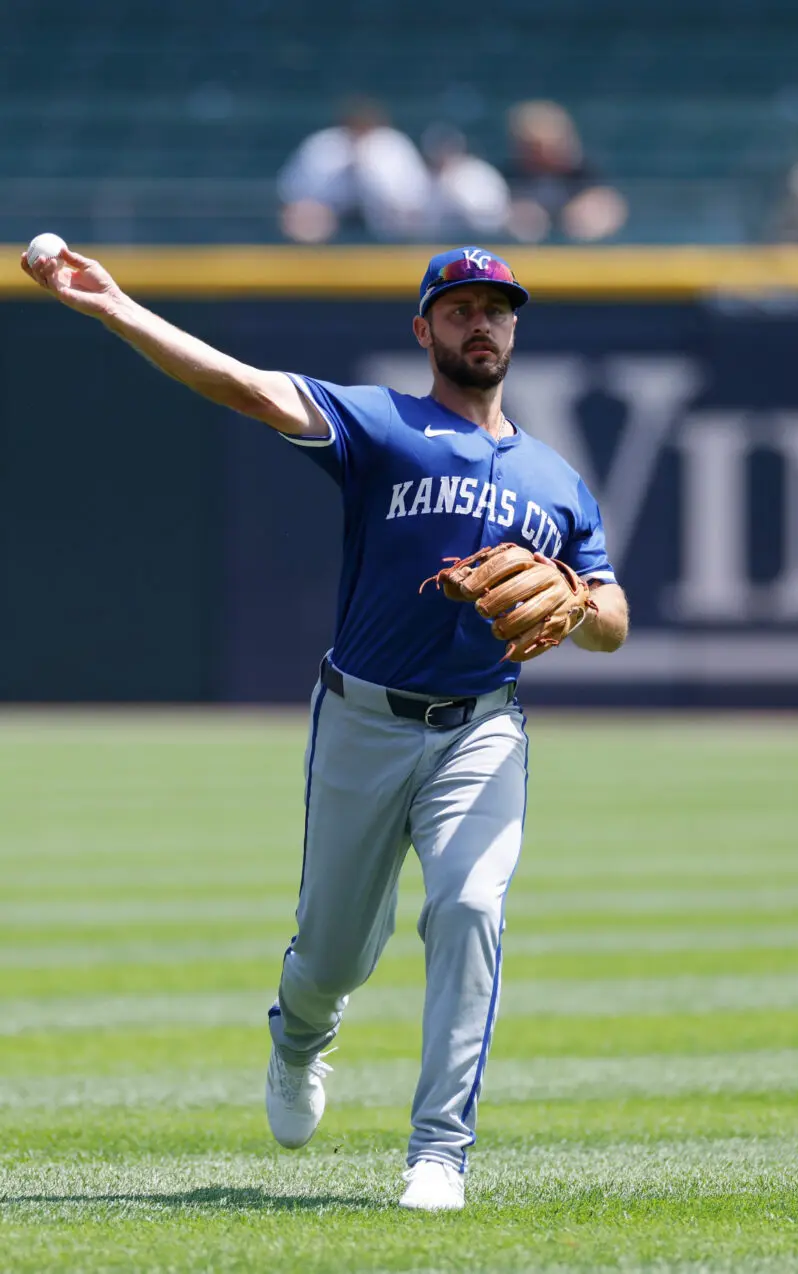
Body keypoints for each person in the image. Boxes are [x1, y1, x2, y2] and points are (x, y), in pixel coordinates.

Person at [21, 241, 629, 1211]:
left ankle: (440, 1152)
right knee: (336, 949)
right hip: (364, 719)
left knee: (471, 906)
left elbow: (611, 618)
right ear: (424, 328)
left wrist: (576, 599)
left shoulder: (558, 477)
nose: (482, 322)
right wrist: (117, 308)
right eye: (460, 306)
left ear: (515, 327)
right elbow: (245, 386)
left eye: (497, 308)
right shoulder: (383, 423)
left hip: (482, 727)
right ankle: (301, 1036)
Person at [276, 96, 432, 243]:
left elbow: (415, 195)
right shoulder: (323, 144)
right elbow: (292, 191)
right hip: (330, 218)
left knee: (409, 217)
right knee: (301, 216)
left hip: (386, 218)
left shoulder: (393, 145)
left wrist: (368, 173)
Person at [504, 99, 628, 243]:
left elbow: (608, 206)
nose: (545, 155)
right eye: (534, 148)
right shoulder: (507, 177)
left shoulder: (584, 173)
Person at [420, 123, 512, 239]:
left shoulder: (478, 172)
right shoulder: (430, 177)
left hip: (485, 240)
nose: (443, 152)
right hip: (440, 241)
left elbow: (489, 213)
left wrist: (451, 187)